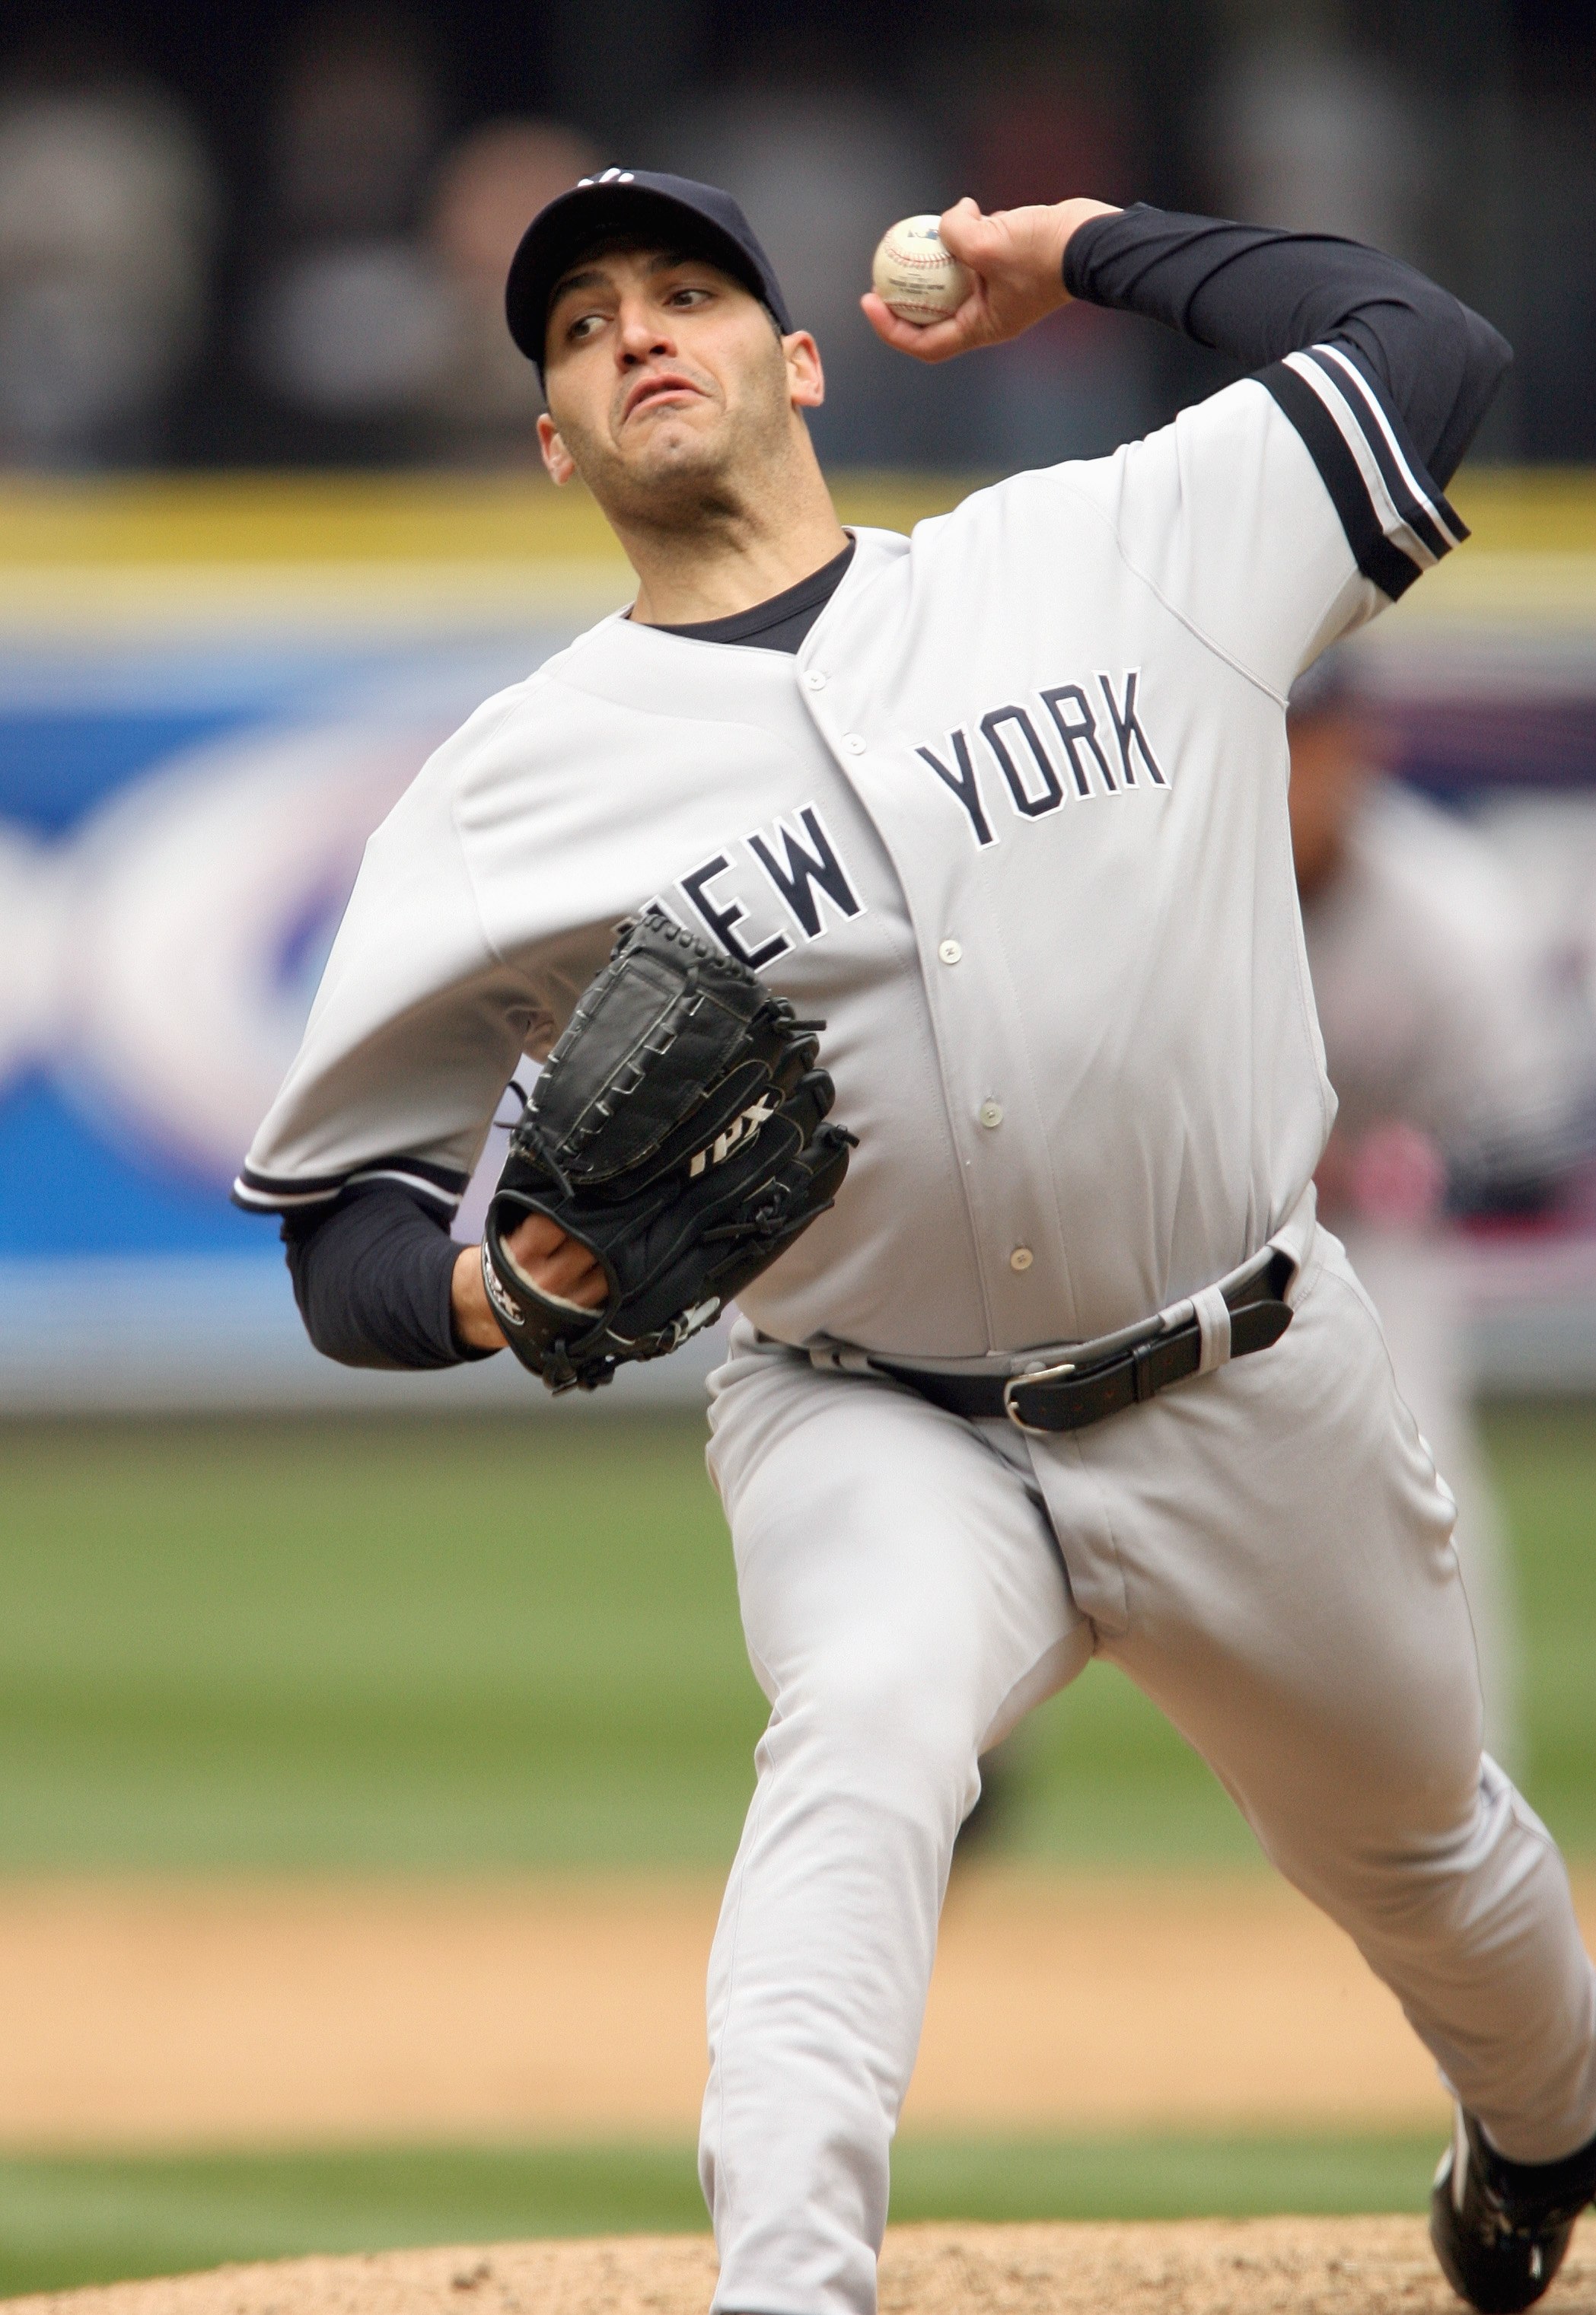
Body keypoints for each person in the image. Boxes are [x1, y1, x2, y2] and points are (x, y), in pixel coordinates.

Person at [235, 173, 1596, 2315]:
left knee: (1426, 1853)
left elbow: (1430, 353)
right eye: (580, 326)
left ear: (801, 361)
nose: (635, 331)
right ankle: (793, 2289)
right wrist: (494, 1289)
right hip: (871, 1416)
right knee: (861, 1746)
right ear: (553, 442)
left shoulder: (1105, 549)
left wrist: (1082, 249)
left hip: (1251, 1373)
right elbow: (340, 1237)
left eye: (689, 290)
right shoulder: (501, 799)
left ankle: (1535, 2147)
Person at [1291, 661, 1596, 1777]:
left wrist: (1400, 1171)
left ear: (1353, 748)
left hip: (1373, 1247)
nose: (1288, 770)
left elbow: (1540, 1142)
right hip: (1192, 1230)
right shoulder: (1175, 884)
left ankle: (1479, 1769)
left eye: (1306, 738)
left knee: (1424, 1469)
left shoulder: (1443, 905)